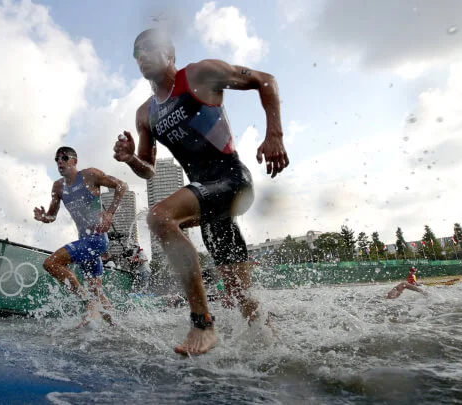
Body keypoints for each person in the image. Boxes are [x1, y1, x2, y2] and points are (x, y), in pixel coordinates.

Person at [113, 29, 289, 355]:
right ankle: (278, 351)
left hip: (232, 180)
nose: (141, 56)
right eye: (136, 52)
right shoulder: (145, 114)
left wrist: (274, 135)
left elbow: (265, 80)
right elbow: (148, 169)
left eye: (149, 48)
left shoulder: (199, 74)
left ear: (170, 53)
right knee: (240, 295)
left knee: (159, 217)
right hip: (209, 201)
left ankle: (202, 323)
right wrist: (129, 159)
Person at [34, 146, 128, 327]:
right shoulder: (58, 187)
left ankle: (88, 303)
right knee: (96, 292)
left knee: (51, 263)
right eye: (57, 159)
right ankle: (118, 328)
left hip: (97, 240)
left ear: (74, 161)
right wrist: (44, 217)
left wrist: (109, 213)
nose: (60, 162)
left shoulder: (89, 175)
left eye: (64, 157)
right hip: (85, 243)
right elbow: (52, 216)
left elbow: (121, 185)